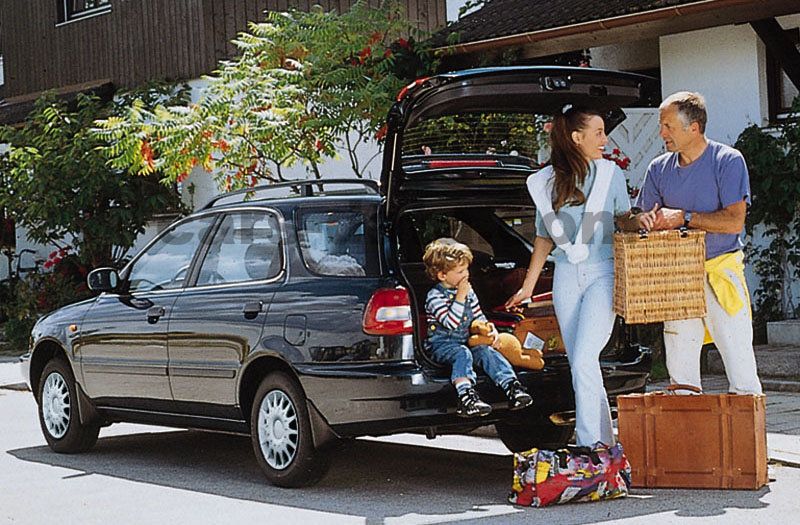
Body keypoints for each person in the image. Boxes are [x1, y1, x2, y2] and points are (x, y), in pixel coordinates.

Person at [505, 106, 654, 446]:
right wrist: (528, 287)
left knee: (586, 358)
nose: (605, 139)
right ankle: (605, 445)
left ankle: (589, 446)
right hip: (566, 277)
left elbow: (622, 219)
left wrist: (639, 221)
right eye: (599, 132)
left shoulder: (610, 173)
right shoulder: (546, 182)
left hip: (603, 272)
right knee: (580, 364)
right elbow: (544, 237)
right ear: (577, 138)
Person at [638, 91, 762, 395]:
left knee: (739, 361)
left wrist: (684, 216)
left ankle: (748, 439)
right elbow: (641, 216)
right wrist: (638, 221)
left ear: (693, 127)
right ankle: (689, 437)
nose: (661, 133)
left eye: (667, 126)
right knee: (680, 371)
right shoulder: (658, 169)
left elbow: (734, 221)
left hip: (721, 271)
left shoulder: (727, 160)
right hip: (678, 275)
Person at [423, 238, 534, 418]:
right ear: (442, 275)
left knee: (486, 351)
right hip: (442, 345)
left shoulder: (468, 290)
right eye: (459, 271)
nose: (466, 275)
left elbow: (478, 315)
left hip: (466, 340)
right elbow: (451, 322)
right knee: (462, 354)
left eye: (466, 269)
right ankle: (466, 395)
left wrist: (491, 330)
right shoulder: (435, 296)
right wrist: (460, 296)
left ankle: (512, 386)